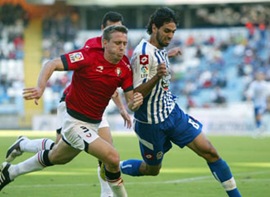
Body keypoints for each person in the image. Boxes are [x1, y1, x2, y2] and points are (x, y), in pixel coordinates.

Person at [0, 25, 143, 197]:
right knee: (111, 157)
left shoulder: (125, 66)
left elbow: (131, 102)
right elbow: (51, 63)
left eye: (124, 43)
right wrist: (40, 88)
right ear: (105, 42)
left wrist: (136, 101)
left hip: (94, 122)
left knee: (57, 157)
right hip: (75, 122)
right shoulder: (87, 56)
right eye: (117, 43)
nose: (122, 47)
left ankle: (10, 172)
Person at [120, 7, 242, 197]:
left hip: (173, 114)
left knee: (210, 152)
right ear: (154, 27)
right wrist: (157, 77)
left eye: (173, 32)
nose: (170, 36)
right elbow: (136, 93)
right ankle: (114, 166)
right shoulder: (143, 54)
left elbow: (157, 60)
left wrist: (168, 54)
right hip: (151, 124)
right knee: (152, 169)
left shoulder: (159, 50)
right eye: (166, 31)